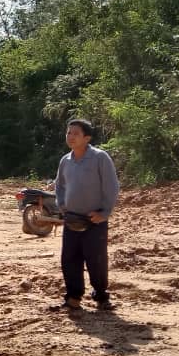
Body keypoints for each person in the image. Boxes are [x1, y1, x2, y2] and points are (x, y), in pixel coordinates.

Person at [53, 119, 120, 312]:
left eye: (75, 133)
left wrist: (105, 213)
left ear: (87, 137)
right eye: (68, 133)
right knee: (69, 259)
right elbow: (60, 185)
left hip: (94, 220)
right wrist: (62, 205)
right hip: (72, 219)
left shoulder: (100, 158)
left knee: (96, 260)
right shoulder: (65, 160)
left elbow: (112, 186)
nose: (70, 137)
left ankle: (101, 296)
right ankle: (73, 298)